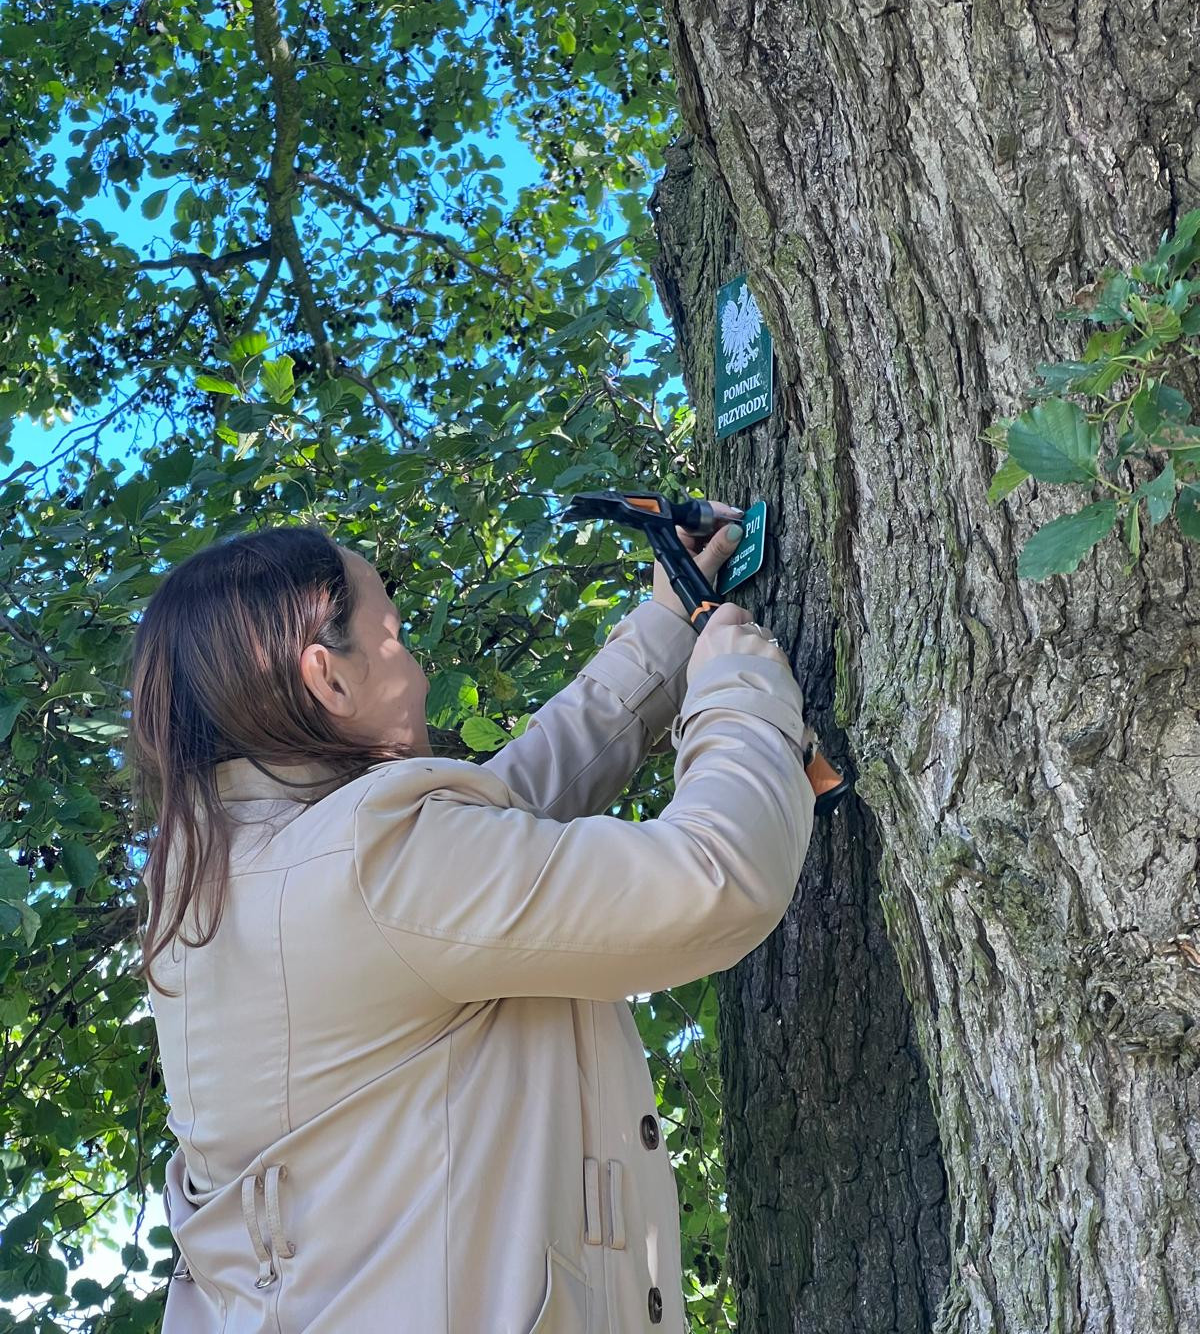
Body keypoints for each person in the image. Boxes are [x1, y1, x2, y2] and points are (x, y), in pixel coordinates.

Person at [128, 509, 817, 1333]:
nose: (415, 670)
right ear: (329, 678)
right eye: (395, 634)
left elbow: (496, 845)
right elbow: (718, 879)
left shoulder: (218, 885)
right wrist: (740, 686)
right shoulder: (371, 865)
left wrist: (666, 630)